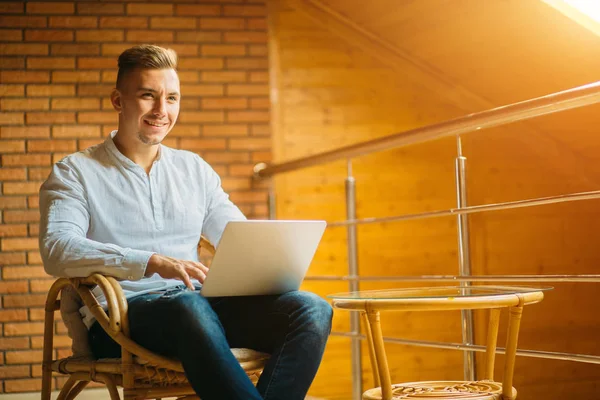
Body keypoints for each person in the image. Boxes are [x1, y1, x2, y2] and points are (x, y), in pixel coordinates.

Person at [39, 44, 333, 400]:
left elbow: (236, 236)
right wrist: (150, 262)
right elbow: (57, 249)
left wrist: (272, 258)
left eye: (172, 98)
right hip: (122, 320)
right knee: (188, 306)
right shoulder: (75, 172)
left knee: (311, 308)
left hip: (199, 310)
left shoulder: (193, 169)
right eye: (149, 96)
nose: (162, 111)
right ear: (118, 101)